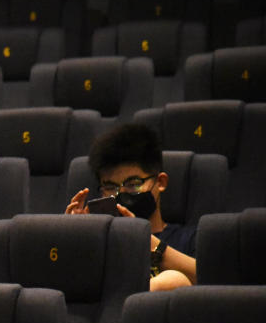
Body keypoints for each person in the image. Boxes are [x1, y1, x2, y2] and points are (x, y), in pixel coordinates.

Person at [65, 123, 196, 291]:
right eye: (110, 187)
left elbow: (209, 280)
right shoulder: (102, 243)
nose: (121, 194)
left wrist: (146, 243)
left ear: (161, 182)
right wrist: (75, 240)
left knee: (173, 280)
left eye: (133, 184)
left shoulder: (189, 238)